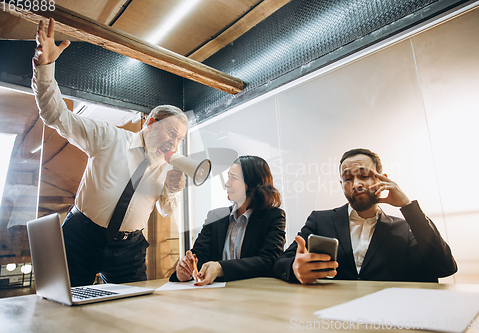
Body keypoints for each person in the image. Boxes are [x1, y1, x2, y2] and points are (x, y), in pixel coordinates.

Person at [32, 18, 188, 286]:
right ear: (150, 124)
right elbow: (55, 115)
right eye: (171, 133)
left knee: (130, 314)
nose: (174, 144)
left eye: (180, 139)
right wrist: (45, 67)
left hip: (130, 249)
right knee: (63, 305)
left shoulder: (167, 166)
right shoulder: (109, 137)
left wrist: (173, 189)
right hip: (81, 236)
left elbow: (164, 210)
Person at [273, 148, 457, 284]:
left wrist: (408, 207)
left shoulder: (405, 228)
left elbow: (444, 267)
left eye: (364, 175)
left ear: (381, 178)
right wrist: (294, 268)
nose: (356, 184)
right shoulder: (320, 220)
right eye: (348, 179)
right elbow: (280, 263)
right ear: (341, 184)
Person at [170, 156, 286, 286]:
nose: (226, 184)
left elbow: (268, 261)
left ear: (252, 184)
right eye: (228, 176)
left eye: (233, 178)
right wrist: (185, 271)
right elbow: (198, 257)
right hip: (215, 295)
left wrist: (221, 268)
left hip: (253, 295)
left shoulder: (273, 217)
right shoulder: (215, 216)